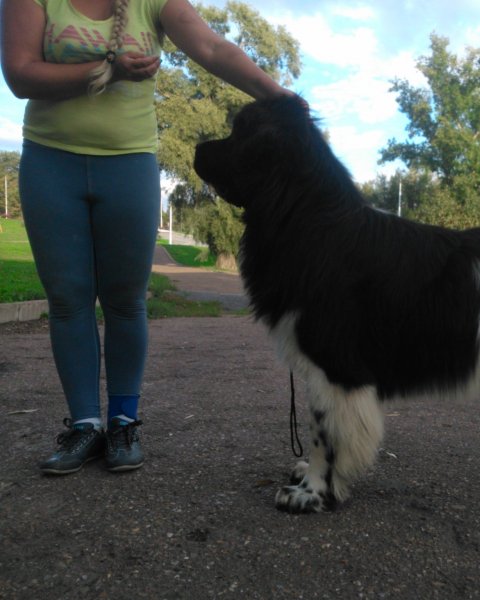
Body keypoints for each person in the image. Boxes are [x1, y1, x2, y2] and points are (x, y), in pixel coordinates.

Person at [0, 0, 302, 474]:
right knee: (68, 299)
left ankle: (122, 422)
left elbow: (212, 47)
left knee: (125, 300)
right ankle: (83, 425)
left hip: (129, 163)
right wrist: (108, 70)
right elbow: (19, 75)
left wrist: (276, 95)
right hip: (50, 163)